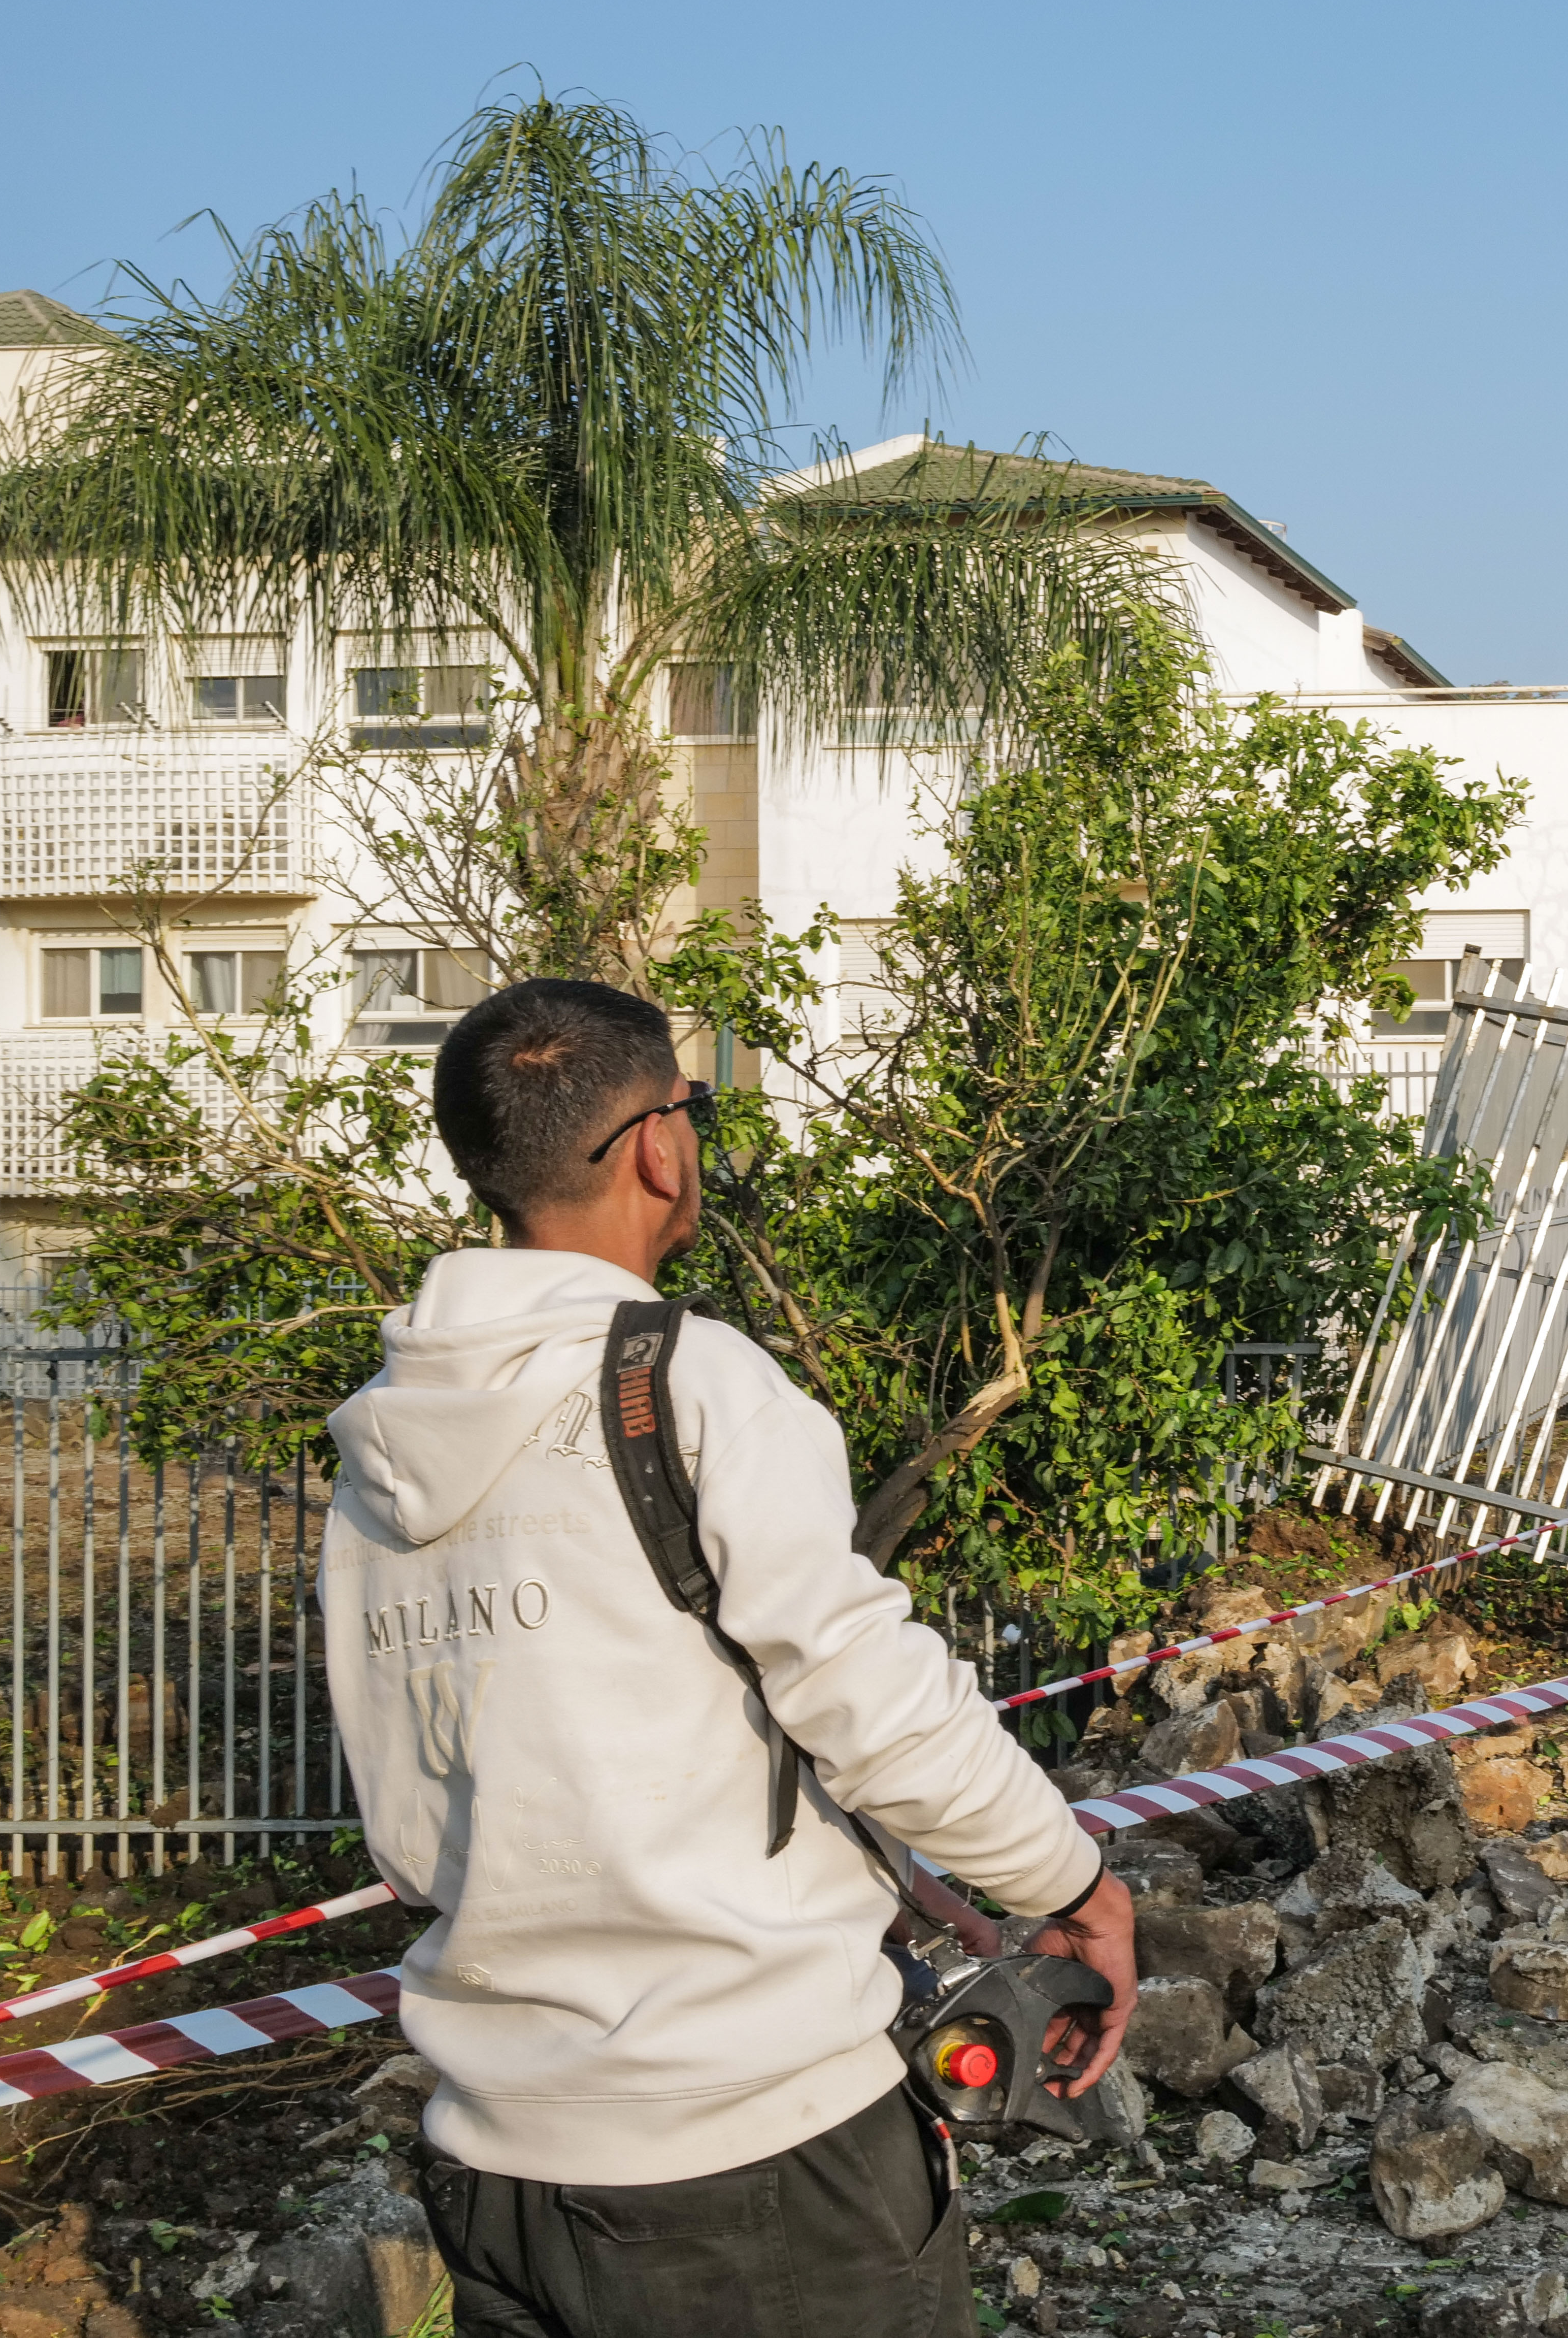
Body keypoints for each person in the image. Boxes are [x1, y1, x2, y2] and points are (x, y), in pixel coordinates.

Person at [316, 979, 1136, 2337]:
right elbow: (864, 1690)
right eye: (691, 1110)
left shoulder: (382, 1447)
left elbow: (414, 1827)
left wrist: (895, 1882)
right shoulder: (688, 1379)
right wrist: (1068, 1878)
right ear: (658, 1145)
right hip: (756, 2158)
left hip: (498, 2172)